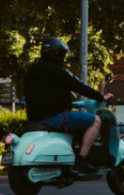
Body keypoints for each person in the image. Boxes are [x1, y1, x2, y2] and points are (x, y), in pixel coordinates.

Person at [23, 37, 113, 168]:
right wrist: (101, 97)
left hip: (33, 119)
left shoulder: (31, 71)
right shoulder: (58, 71)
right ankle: (82, 159)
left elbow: (46, 93)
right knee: (96, 120)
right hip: (55, 117)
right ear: (57, 54)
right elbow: (78, 86)